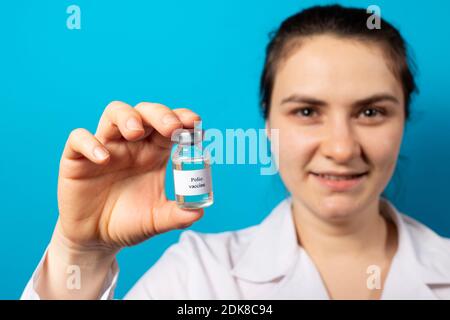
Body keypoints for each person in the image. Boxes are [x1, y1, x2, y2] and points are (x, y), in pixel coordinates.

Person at [21, 4, 450, 300]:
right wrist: (81, 253)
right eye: (306, 111)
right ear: (268, 122)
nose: (341, 148)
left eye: (372, 111)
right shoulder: (199, 277)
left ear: (404, 119)